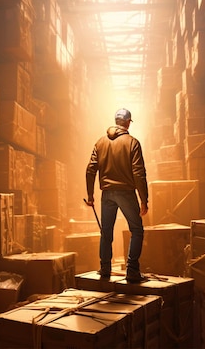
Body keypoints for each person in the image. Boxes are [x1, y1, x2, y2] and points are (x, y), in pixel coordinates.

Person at [85, 108, 149, 283]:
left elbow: (90, 170)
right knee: (136, 230)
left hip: (107, 194)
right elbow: (139, 173)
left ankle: (105, 269)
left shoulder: (100, 143)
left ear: (115, 121)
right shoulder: (132, 143)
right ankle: (132, 271)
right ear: (128, 122)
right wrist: (144, 200)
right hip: (126, 193)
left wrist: (90, 196)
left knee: (106, 232)